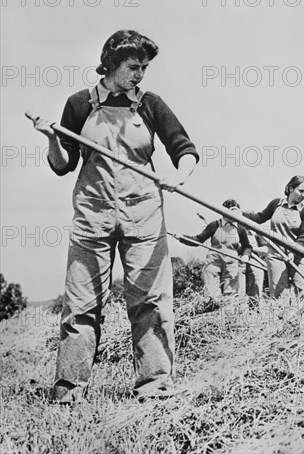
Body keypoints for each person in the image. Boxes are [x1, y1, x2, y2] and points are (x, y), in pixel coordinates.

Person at [31, 30, 199, 402]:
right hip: (93, 216)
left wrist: (179, 175)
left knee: (151, 304)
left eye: (145, 68)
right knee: (81, 306)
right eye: (133, 67)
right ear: (110, 65)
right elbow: (63, 165)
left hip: (144, 217)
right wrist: (51, 138)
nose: (140, 75)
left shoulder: (151, 104)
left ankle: (154, 388)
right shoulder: (79, 104)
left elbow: (184, 148)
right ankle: (69, 393)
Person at [243, 176, 304, 306]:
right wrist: (240, 214)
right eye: (301, 191)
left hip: (297, 255)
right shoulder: (276, 204)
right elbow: (259, 217)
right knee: (279, 294)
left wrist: (293, 252)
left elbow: (303, 237)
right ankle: (283, 323)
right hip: (276, 255)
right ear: (291, 188)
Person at [179, 200, 251, 299]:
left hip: (231, 264)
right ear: (223, 212)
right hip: (213, 262)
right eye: (231, 211)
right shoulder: (214, 225)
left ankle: (228, 312)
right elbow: (198, 240)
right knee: (211, 294)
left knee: (231, 295)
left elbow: (247, 246)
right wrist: (181, 238)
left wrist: (246, 255)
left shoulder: (240, 229)